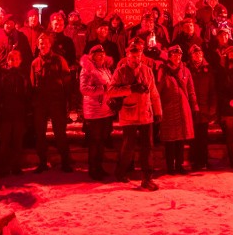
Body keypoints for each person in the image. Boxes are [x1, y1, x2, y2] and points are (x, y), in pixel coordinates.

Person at [108, 43, 162, 191]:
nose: (136, 59)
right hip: (129, 114)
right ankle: (120, 171)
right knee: (128, 146)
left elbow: (154, 93)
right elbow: (111, 91)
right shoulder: (121, 71)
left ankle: (147, 178)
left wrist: (158, 112)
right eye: (133, 56)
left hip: (146, 113)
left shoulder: (147, 71)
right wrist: (130, 89)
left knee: (148, 147)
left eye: (138, 56)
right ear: (127, 56)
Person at [30, 33, 74, 173]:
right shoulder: (35, 63)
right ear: (38, 45)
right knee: (40, 134)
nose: (43, 45)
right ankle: (42, 162)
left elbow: (67, 81)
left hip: (57, 101)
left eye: (45, 43)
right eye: (41, 43)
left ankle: (66, 162)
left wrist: (68, 101)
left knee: (60, 133)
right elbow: (32, 84)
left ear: (50, 45)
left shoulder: (59, 60)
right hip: (41, 103)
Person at [156, 45, 198, 175]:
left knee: (180, 139)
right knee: (170, 140)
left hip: (183, 107)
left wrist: (194, 105)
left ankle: (179, 164)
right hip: (168, 108)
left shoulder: (185, 71)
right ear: (169, 56)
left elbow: (191, 90)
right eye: (174, 55)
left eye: (179, 55)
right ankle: (170, 166)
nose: (177, 57)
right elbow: (158, 89)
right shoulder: (163, 70)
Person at [79, 45, 115, 181]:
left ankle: (99, 167)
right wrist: (102, 88)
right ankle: (93, 169)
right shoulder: (87, 70)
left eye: (102, 54)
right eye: (98, 54)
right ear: (92, 56)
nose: (101, 56)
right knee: (95, 141)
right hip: (94, 110)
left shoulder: (105, 68)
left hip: (105, 109)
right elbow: (84, 89)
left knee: (101, 141)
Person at [0, 50, 29, 176]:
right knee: (4, 142)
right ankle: (3, 168)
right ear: (8, 61)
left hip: (19, 114)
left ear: (20, 61)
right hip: (6, 113)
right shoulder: (3, 76)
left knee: (17, 142)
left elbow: (27, 94)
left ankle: (16, 166)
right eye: (11, 59)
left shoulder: (23, 76)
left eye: (16, 59)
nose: (14, 61)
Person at [187, 44, 217, 170]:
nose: (198, 56)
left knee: (203, 137)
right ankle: (194, 160)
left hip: (204, 107)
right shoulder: (187, 69)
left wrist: (212, 108)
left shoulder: (208, 69)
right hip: (192, 107)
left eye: (199, 54)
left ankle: (204, 160)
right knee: (193, 137)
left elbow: (212, 89)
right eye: (195, 54)